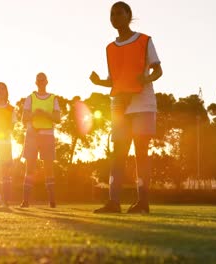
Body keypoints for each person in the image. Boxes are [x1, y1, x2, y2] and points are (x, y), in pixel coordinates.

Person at [90, 1, 163, 213]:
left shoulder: (144, 40)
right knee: (118, 154)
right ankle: (113, 202)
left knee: (141, 153)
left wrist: (146, 77)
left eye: (119, 13)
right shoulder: (110, 48)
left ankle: (143, 202)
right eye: (112, 14)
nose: (114, 17)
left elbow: (158, 71)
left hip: (142, 103)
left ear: (129, 16)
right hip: (119, 104)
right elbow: (114, 80)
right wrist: (98, 82)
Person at [20, 73, 61, 208]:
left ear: (47, 82)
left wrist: (45, 114)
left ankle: (52, 201)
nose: (41, 82)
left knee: (49, 168)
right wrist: (34, 114)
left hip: (47, 135)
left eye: (43, 79)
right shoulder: (30, 98)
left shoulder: (53, 98)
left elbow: (57, 118)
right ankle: (25, 201)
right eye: (39, 80)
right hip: (32, 135)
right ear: (36, 82)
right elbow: (24, 118)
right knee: (29, 167)